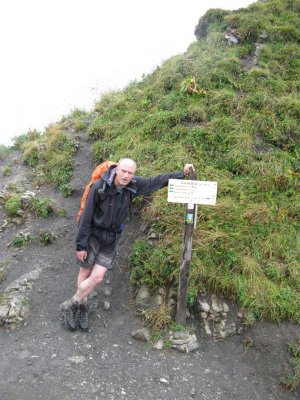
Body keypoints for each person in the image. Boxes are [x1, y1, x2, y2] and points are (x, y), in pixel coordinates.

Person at [64, 158, 194, 331]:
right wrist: (80, 245)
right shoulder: (99, 187)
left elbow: (155, 181)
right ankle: (82, 307)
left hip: (111, 238)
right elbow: (86, 217)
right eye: (123, 171)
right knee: (85, 271)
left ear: (133, 174)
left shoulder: (133, 186)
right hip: (93, 236)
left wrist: (181, 174)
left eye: (130, 173)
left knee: (97, 277)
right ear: (117, 169)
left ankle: (73, 303)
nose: (126, 176)